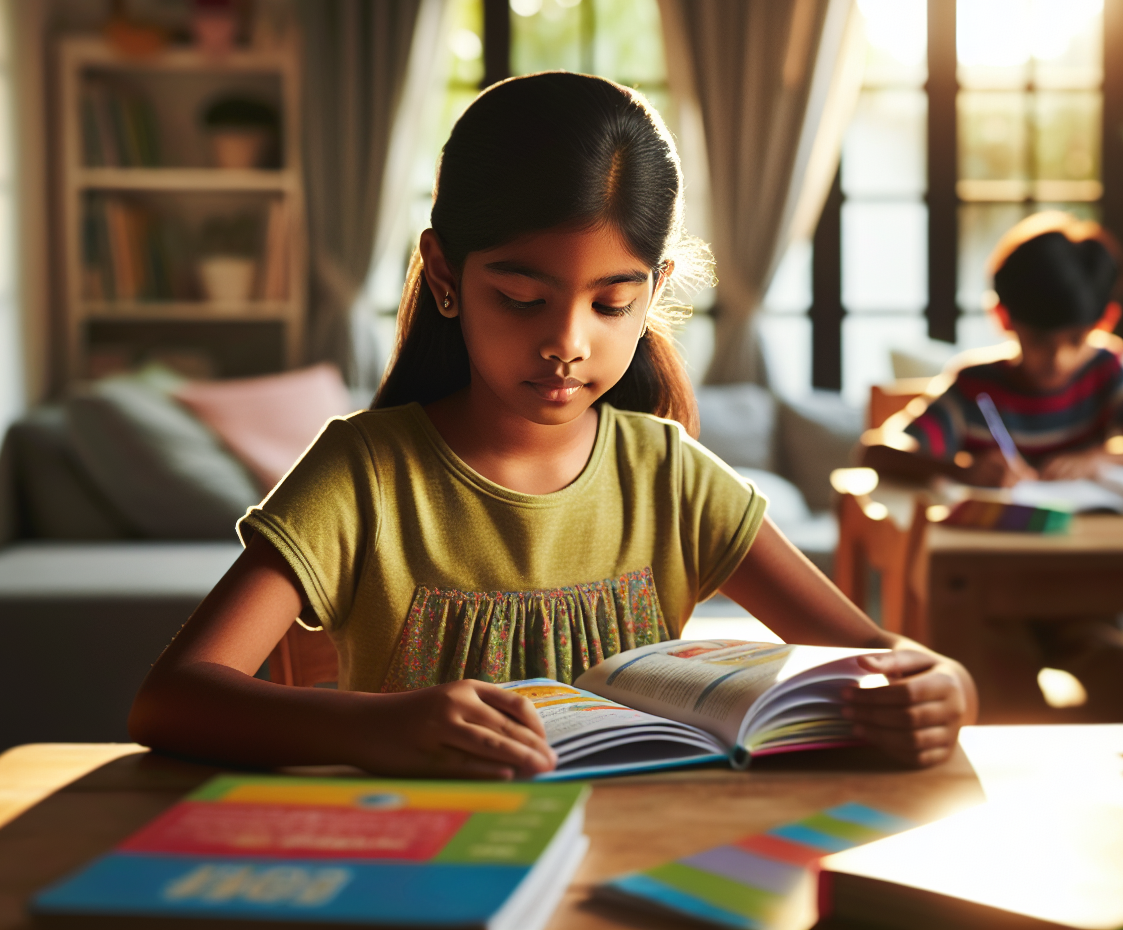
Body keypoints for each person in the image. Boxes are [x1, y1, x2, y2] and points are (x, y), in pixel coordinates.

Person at [129, 72, 976, 779]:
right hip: (435, 872)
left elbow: (881, 659)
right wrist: (371, 728)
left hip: (636, 869)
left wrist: (946, 688)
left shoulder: (668, 476)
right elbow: (172, 698)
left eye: (612, 303)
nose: (566, 343)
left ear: (655, 291)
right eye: (523, 298)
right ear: (445, 273)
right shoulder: (367, 475)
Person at [864, 212, 1123, 722]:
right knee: (1003, 694)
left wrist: (1101, 458)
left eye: (1075, 338)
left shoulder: (1105, 371)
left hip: (1083, 594)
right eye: (1041, 340)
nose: (1058, 360)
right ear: (1004, 319)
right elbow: (877, 451)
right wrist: (961, 468)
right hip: (991, 598)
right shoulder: (975, 387)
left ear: (1104, 321)